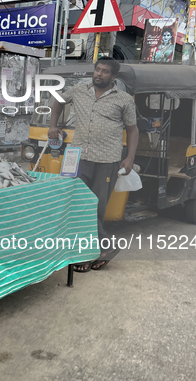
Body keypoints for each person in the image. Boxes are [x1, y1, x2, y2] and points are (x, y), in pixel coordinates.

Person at [49, 57, 139, 272]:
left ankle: (90, 252)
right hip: (78, 157)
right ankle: (102, 249)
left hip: (107, 161)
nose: (99, 74)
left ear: (113, 76)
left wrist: (130, 158)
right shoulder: (79, 90)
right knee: (76, 203)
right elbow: (58, 101)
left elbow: (133, 130)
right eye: (97, 69)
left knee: (96, 208)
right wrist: (53, 125)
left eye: (105, 71)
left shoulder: (124, 99)